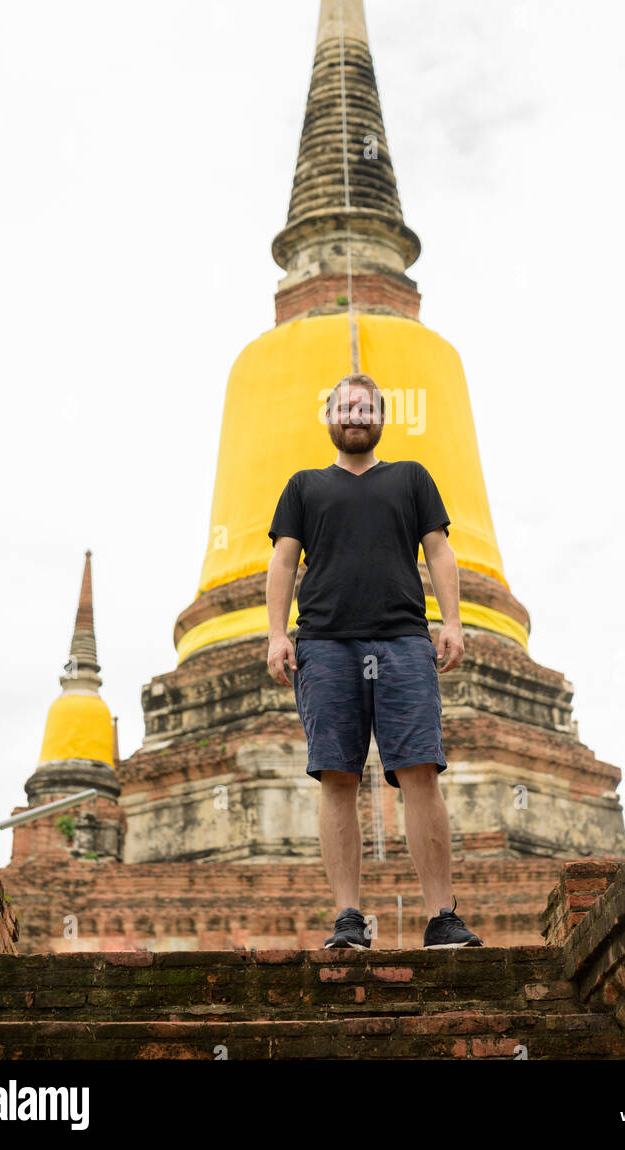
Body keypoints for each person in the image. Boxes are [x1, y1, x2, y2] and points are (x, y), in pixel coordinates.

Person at [266, 372, 483, 950]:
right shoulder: (304, 486)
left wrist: (453, 621)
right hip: (325, 642)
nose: (355, 416)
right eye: (346, 408)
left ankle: (441, 915)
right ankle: (348, 917)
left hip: (403, 639)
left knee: (419, 772)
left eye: (365, 408)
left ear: (380, 418)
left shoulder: (411, 479)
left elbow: (439, 550)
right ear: (330, 418)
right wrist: (275, 634)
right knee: (338, 777)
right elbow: (284, 564)